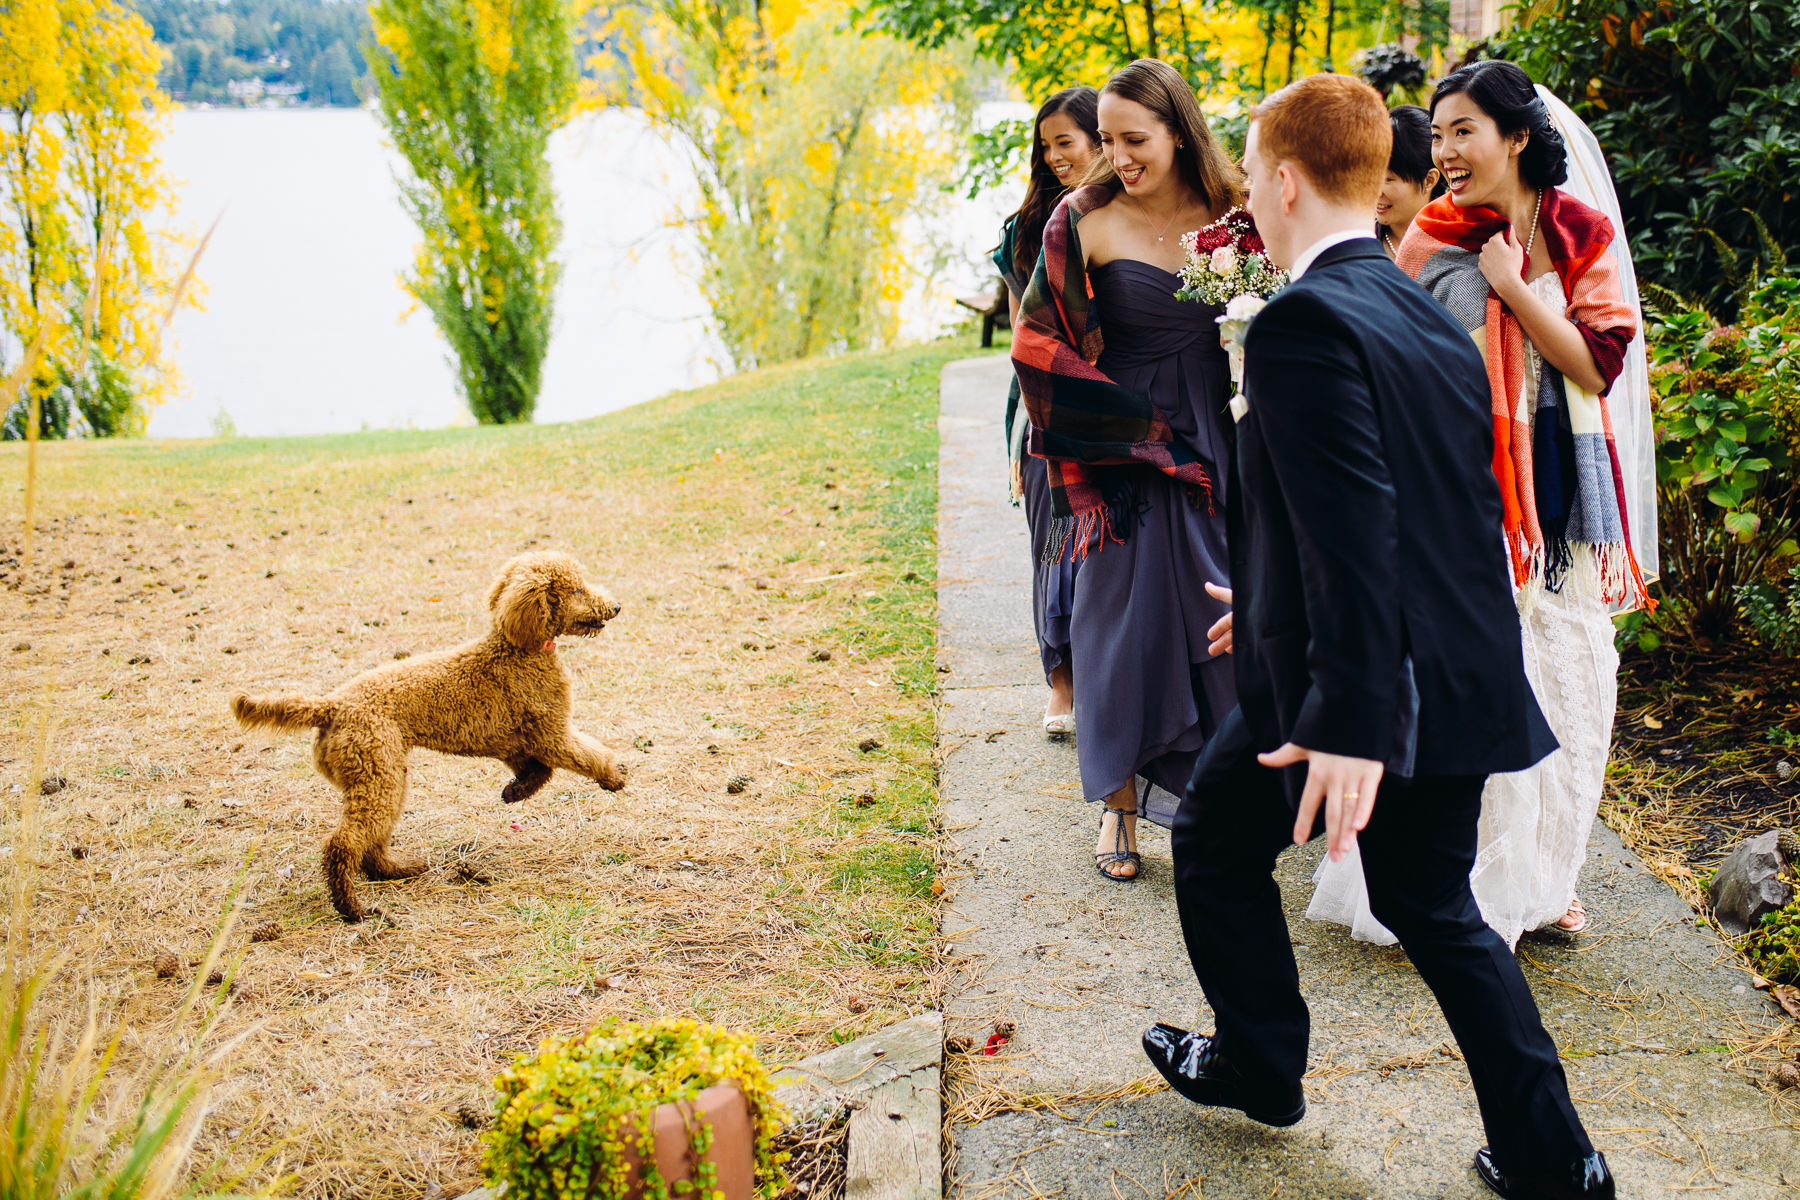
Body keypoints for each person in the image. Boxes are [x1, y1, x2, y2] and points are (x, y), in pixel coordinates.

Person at [1144, 73, 1615, 1199]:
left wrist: (1354, 724)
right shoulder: (1422, 307)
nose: (1247, 188)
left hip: (1347, 691)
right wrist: (1257, 601)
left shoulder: (1305, 320)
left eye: (1254, 169)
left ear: (1289, 180)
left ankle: (1263, 1066)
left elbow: (1360, 528)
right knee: (1436, 911)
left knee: (1213, 843)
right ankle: (1559, 1165)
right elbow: (1412, 511)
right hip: (1439, 670)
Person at [1310, 61, 1650, 948]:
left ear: (1519, 138)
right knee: (1481, 686)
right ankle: (1471, 888)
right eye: (1442, 132)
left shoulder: (1580, 231)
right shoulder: (1430, 236)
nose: (1448, 152)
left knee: (1576, 689)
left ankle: (1552, 880)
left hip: (1565, 509)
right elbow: (1398, 365)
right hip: (1464, 499)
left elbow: (1596, 364)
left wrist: (1509, 286)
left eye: (1465, 131)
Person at [1010, 59, 1239, 879]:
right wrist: (1127, 426)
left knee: (1223, 615)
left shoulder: (1234, 208)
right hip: (1122, 441)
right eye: (1107, 139)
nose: (1118, 156)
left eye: (1134, 139)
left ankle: (1227, 800)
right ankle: (1118, 810)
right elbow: (1038, 345)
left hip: (1221, 437)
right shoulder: (1082, 217)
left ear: (1180, 130)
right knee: (1117, 624)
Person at [994, 86, 1101, 741]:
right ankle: (1060, 681)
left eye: (1067, 141)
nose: (1056, 156)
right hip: (1044, 403)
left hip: (1115, 397)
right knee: (1051, 545)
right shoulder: (1028, 227)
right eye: (1047, 146)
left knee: (1099, 549)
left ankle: (1104, 677)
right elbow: (1018, 333)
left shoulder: (1131, 212)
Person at [1375, 105, 1442, 258]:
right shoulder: (1361, 243)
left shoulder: (1460, 244)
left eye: (1388, 180)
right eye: (1372, 177)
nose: (1375, 192)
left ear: (1429, 180)